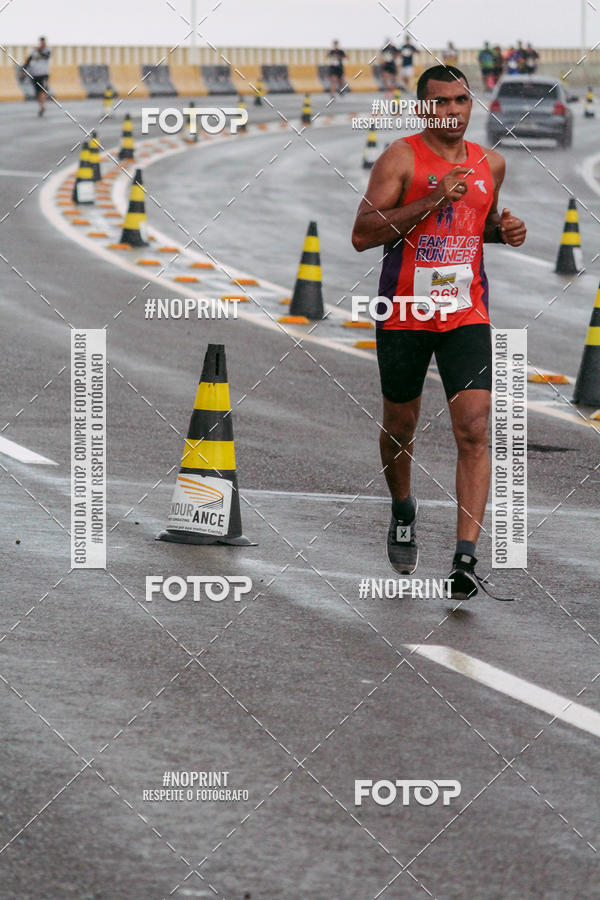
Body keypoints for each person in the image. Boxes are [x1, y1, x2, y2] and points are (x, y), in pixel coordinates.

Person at [351, 64, 526, 599]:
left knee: (474, 429)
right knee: (400, 427)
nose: (452, 111)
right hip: (404, 312)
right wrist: (432, 198)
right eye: (441, 102)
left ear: (472, 104)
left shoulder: (489, 163)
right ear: (422, 106)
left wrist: (506, 230)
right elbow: (363, 234)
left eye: (461, 101)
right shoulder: (400, 158)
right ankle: (404, 508)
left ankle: (465, 560)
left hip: (465, 313)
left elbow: (478, 224)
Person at [23, 36, 51, 116]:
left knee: (42, 90)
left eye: (43, 42)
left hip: (44, 73)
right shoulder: (34, 52)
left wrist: (39, 50)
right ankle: (41, 106)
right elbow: (28, 60)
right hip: (35, 73)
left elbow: (46, 56)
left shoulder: (47, 50)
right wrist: (23, 69)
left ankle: (42, 106)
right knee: (37, 92)